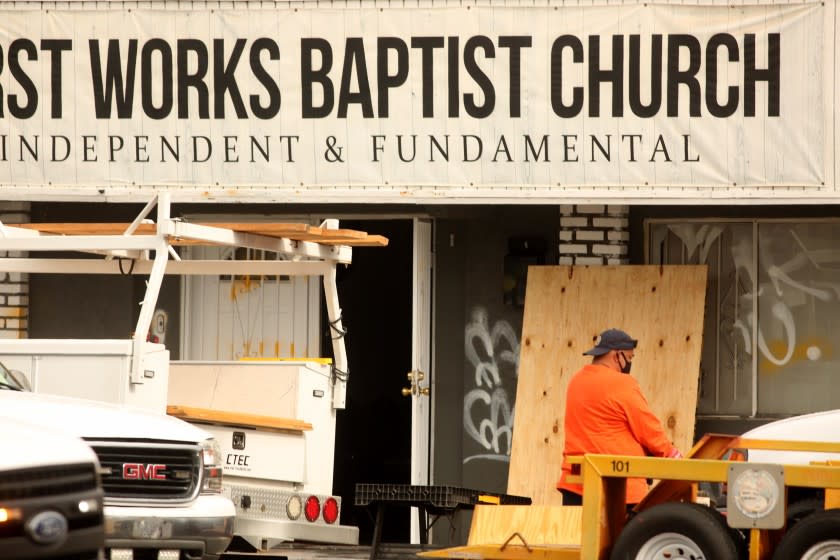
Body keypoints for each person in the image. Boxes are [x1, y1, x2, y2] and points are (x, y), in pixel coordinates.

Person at [556, 328, 682, 506]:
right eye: (629, 358)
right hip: (619, 489)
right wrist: (671, 455)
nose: (629, 364)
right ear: (617, 356)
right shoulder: (622, 384)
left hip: (576, 485)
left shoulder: (575, 382)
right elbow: (647, 429)